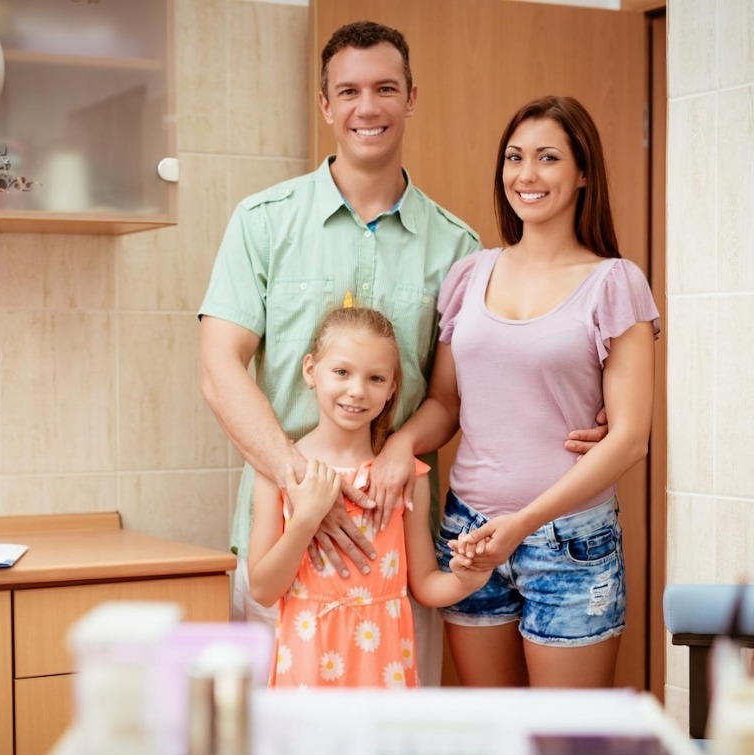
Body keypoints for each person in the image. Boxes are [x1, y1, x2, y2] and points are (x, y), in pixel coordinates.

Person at [197, 21, 606, 682]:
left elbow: (464, 393)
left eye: (386, 88)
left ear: (411, 97)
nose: (368, 107)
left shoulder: (458, 249)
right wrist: (305, 486)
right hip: (282, 547)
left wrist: (595, 411)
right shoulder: (262, 221)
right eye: (349, 91)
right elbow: (220, 371)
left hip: (396, 553)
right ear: (326, 105)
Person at [381, 96, 660, 689]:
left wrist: (522, 523)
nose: (526, 175)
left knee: (562, 751)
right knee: (495, 737)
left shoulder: (614, 283)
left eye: (548, 158)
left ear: (583, 173)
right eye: (515, 157)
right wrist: (397, 447)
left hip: (571, 542)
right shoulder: (469, 275)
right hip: (470, 535)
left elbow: (631, 437)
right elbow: (445, 404)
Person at [247, 305, 490, 688]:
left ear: (393, 387)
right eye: (341, 372)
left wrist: (469, 579)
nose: (357, 390)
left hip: (383, 665)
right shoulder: (279, 473)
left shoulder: (407, 477)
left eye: (376, 378)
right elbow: (262, 589)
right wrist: (307, 518)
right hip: (307, 665)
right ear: (311, 370)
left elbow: (425, 585)